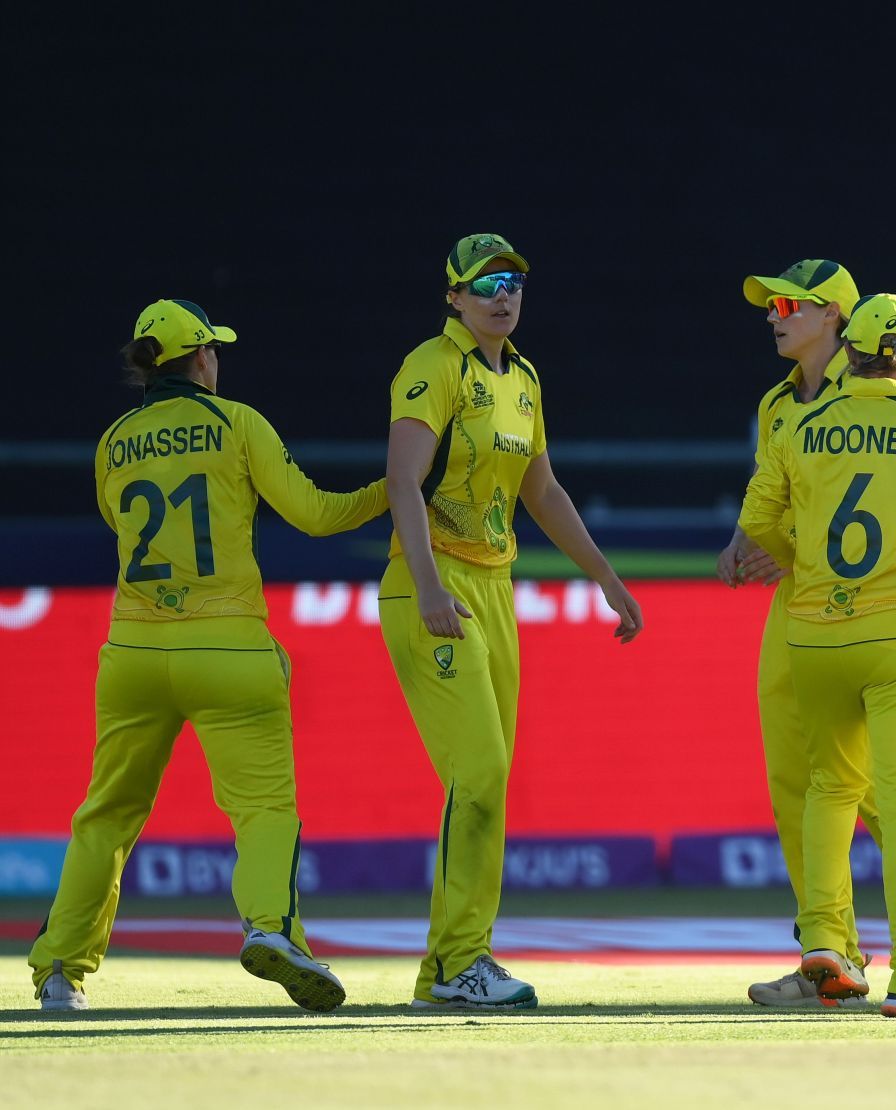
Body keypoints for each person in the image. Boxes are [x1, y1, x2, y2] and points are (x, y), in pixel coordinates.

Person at [31, 300, 388, 1013]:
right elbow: (316, 515)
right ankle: (272, 929)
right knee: (263, 811)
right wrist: (394, 493)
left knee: (105, 815)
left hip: (131, 651)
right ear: (200, 359)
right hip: (229, 647)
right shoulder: (237, 423)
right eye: (213, 351)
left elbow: (119, 526)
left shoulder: (113, 440)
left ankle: (58, 973)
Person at [381, 234, 642, 1010]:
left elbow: (544, 491)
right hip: (436, 584)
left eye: (516, 282)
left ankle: (448, 969)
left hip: (494, 587)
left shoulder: (523, 377)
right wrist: (428, 585)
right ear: (454, 296)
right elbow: (402, 479)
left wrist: (604, 576)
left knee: (487, 782)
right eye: (487, 283)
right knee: (482, 775)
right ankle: (462, 960)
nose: (505, 295)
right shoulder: (432, 365)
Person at [722, 261, 896, 1009]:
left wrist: (774, 541)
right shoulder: (782, 402)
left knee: (854, 791)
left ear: (840, 320)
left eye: (789, 304)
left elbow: (772, 511)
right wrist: (749, 549)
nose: (773, 314)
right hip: (825, 613)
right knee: (808, 785)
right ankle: (832, 952)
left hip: (825, 619)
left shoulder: (815, 414)